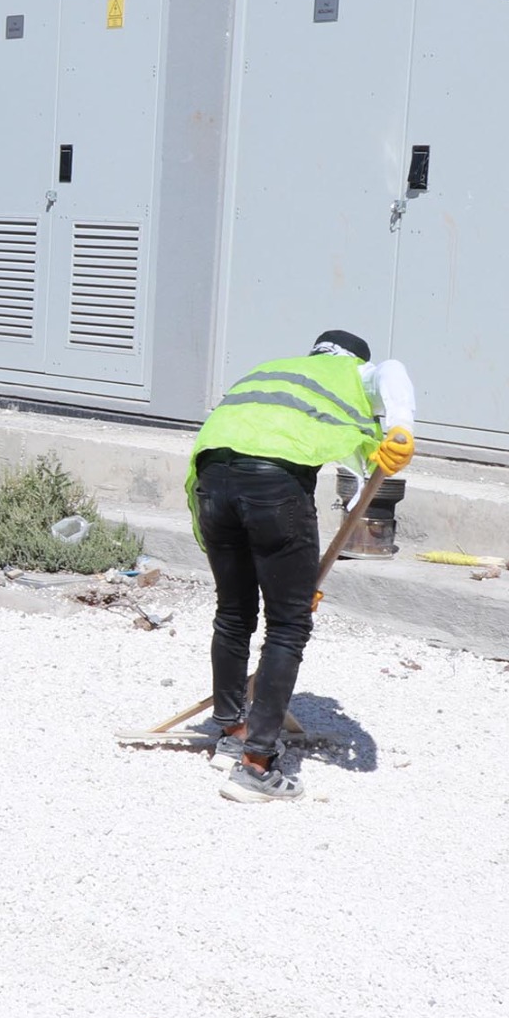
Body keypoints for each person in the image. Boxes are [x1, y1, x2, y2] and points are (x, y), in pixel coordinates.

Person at [189, 329, 415, 804]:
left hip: (212, 476)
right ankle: (256, 767)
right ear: (355, 361)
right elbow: (392, 372)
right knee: (288, 625)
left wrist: (287, 576)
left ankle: (232, 730)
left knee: (233, 612)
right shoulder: (354, 373)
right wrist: (401, 424)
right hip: (274, 484)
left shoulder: (281, 373)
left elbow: (355, 463)